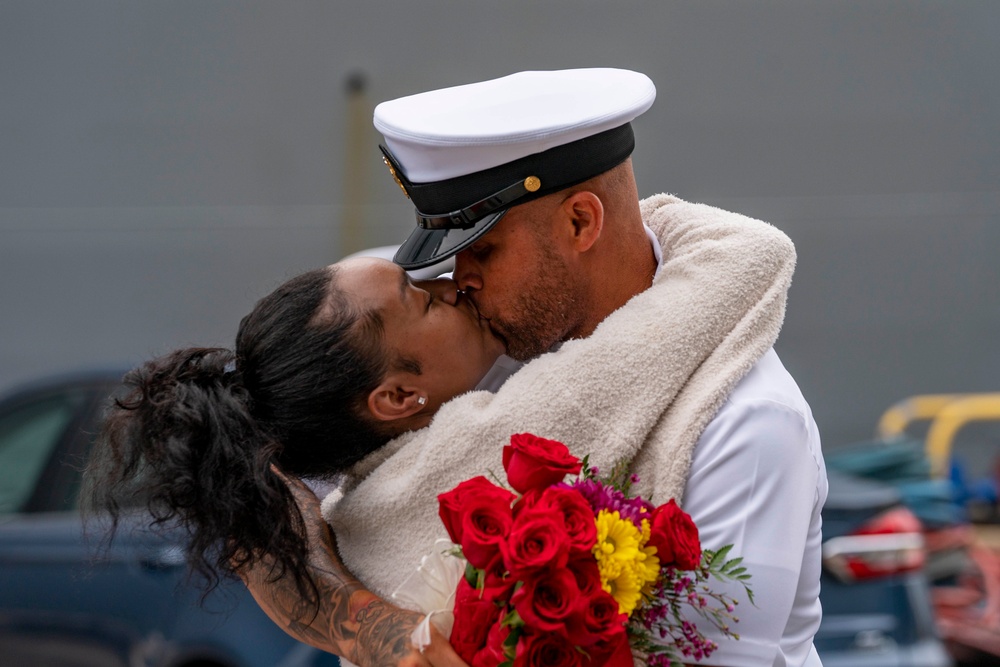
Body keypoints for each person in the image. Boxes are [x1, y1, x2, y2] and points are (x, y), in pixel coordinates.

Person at [243, 68, 827, 667]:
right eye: (446, 251)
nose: (454, 279)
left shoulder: (746, 427)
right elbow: (254, 488)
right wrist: (378, 634)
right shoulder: (465, 339)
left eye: (484, 248)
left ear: (580, 222)